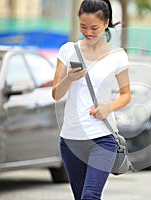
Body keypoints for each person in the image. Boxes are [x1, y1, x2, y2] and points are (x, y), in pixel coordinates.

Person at [52, 0, 131, 199]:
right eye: (83, 26)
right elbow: (56, 94)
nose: (88, 32)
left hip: (102, 138)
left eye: (94, 27)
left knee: (90, 196)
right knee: (81, 197)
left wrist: (108, 107)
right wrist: (69, 78)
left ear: (106, 23)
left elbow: (126, 94)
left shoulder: (117, 55)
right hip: (71, 139)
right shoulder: (68, 51)